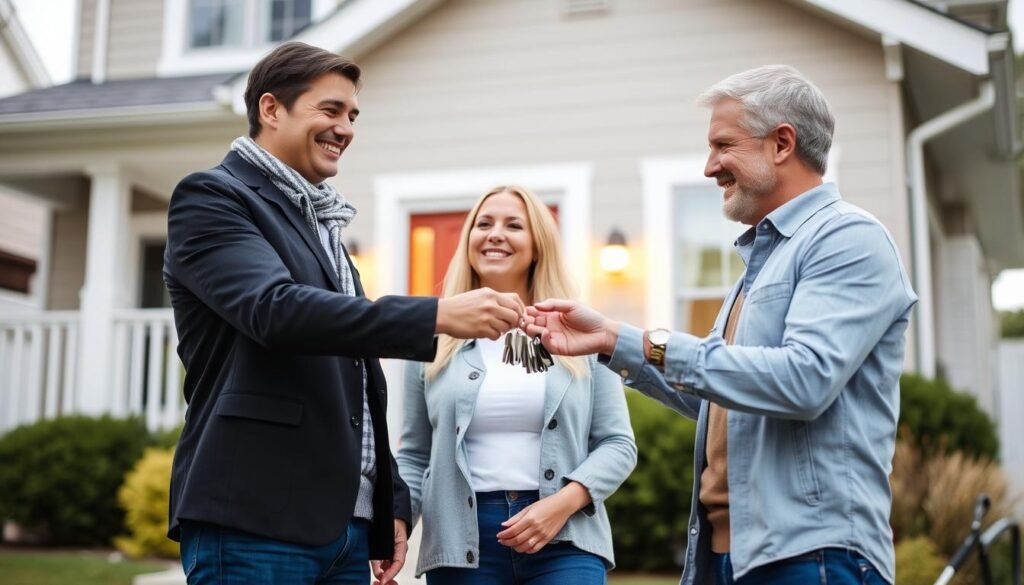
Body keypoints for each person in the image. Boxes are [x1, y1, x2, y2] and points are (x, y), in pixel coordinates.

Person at [525, 65, 917, 585]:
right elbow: (716, 402)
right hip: (733, 557)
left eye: (723, 145)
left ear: (782, 143)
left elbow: (804, 380)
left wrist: (643, 341)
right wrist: (610, 341)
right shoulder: (757, 265)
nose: (710, 167)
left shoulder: (847, 239)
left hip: (815, 555)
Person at [163, 42, 526, 585]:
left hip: (346, 530)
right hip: (255, 519)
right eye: (330, 110)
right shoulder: (213, 197)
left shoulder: (321, 224)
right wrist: (435, 316)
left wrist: (389, 502)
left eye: (352, 115)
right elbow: (275, 311)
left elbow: (357, 380)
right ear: (271, 109)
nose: (346, 128)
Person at [396, 185, 637, 585]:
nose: (495, 233)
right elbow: (415, 454)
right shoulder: (433, 338)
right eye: (484, 223)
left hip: (566, 536)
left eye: (513, 225)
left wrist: (561, 505)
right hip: (461, 544)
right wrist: (399, 519)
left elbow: (618, 444)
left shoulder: (581, 332)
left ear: (537, 245)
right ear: (469, 240)